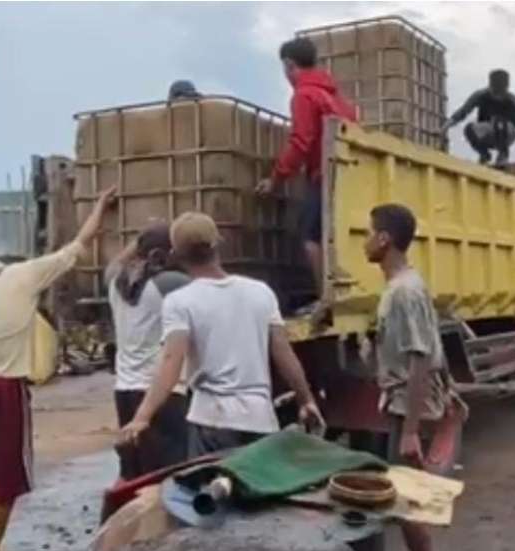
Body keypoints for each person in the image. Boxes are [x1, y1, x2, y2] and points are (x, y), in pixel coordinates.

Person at [0, 186, 115, 551]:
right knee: (4, 473)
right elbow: (78, 245)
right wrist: (99, 207)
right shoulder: (26, 274)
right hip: (2, 389)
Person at [117, 212, 324, 457]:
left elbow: (171, 362)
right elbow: (284, 355)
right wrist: (306, 400)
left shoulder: (180, 301)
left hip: (211, 423)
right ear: (218, 245)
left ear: (176, 255)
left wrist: (142, 417)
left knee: (209, 492)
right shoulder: (261, 292)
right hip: (260, 421)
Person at [364, 203, 453, 551]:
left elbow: (420, 357)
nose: (365, 242)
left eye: (369, 233)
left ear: (384, 239)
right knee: (405, 498)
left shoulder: (404, 291)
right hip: (400, 403)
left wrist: (411, 431)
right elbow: (433, 344)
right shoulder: (403, 286)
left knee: (407, 500)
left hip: (406, 407)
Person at [255, 37, 357, 300]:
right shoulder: (336, 97)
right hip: (349, 176)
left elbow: (301, 142)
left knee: (311, 238)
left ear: (290, 65)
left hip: (324, 175)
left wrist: (276, 179)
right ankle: (343, 293)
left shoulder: (304, 95)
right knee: (336, 238)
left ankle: (327, 299)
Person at [106, 222, 191, 480]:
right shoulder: (170, 283)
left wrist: (139, 240)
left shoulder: (115, 283)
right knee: (169, 475)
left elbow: (113, 266)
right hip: (161, 393)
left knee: (133, 473)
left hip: (125, 391)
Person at [441, 69, 515, 168]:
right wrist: (443, 129)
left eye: (500, 95)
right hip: (487, 133)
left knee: (499, 122)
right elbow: (462, 112)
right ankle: (484, 154)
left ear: (506, 89)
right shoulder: (480, 95)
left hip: (507, 134)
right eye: (494, 94)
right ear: (490, 86)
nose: (497, 97)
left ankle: (503, 154)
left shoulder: (514, 102)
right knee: (469, 128)